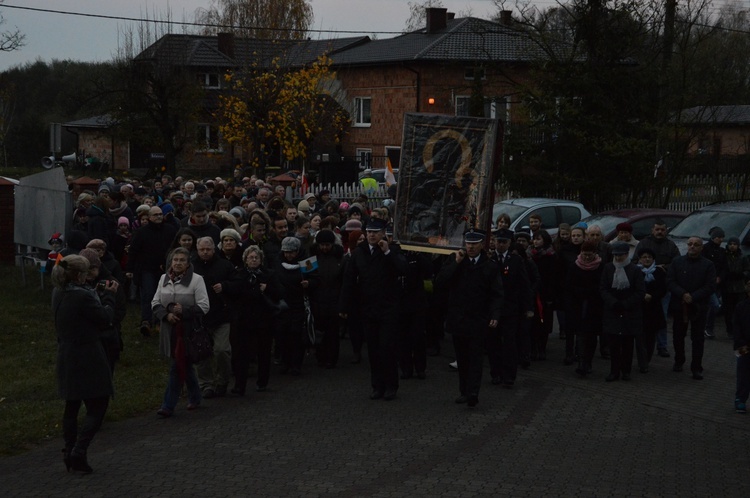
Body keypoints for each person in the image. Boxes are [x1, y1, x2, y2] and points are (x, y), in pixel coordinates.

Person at [51, 254, 119, 474]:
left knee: (71, 404)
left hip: (67, 353)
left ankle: (69, 450)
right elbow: (106, 318)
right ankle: (79, 451)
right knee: (98, 404)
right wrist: (109, 296)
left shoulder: (58, 292)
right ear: (79, 275)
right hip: (88, 354)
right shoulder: (83, 297)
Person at [339, 218, 408, 401]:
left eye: (375, 232)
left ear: (383, 233)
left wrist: (387, 252)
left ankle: (391, 385)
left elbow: (402, 269)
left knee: (387, 347)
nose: (371, 235)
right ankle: (377, 386)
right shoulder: (359, 253)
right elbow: (349, 280)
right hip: (368, 308)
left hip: (388, 308)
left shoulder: (392, 250)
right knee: (373, 349)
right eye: (368, 232)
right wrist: (344, 306)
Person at [435, 229, 503, 407]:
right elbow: (441, 282)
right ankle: (464, 390)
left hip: (478, 319)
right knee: (462, 357)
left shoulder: (490, 266)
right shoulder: (456, 261)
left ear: (481, 245)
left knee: (475, 358)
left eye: (474, 244)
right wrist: (456, 263)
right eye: (468, 243)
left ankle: (473, 392)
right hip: (458, 318)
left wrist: (495, 314)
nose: (471, 247)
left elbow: (496, 293)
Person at [152, 247, 210, 417]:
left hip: (188, 332)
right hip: (168, 330)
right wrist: (166, 315)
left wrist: (184, 310)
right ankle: (195, 396)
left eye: (182, 260)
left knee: (177, 366)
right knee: (184, 364)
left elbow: (204, 306)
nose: (178, 263)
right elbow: (155, 302)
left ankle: (168, 405)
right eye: (175, 260)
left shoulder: (197, 280)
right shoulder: (163, 279)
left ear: (188, 263)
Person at [192, 237, 240, 397]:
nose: (205, 252)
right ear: (197, 250)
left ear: (214, 249)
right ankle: (206, 384)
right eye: (201, 249)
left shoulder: (225, 265)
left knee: (222, 350)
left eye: (208, 249)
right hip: (199, 317)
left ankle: (222, 381)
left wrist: (225, 286)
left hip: (222, 316)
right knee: (201, 353)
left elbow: (238, 284)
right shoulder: (191, 266)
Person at [232, 245, 284, 395]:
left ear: (261, 260)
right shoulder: (239, 274)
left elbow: (280, 292)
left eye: (256, 257)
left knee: (264, 352)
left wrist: (267, 289)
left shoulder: (270, 274)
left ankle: (262, 381)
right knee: (242, 354)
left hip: (264, 319)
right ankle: (239, 385)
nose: (254, 260)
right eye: (250, 257)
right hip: (244, 319)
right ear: (245, 260)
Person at [488, 228, 533, 387]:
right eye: (498, 241)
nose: (500, 245)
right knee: (493, 343)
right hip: (493, 309)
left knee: (509, 343)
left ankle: (509, 376)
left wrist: (528, 307)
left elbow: (524, 285)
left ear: (509, 243)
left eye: (503, 242)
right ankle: (496, 373)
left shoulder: (516, 261)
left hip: (510, 309)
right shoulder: (490, 259)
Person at [667, 236, 716, 380]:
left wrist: (693, 297)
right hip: (679, 305)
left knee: (698, 338)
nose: (692, 247)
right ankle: (679, 360)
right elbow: (670, 281)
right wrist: (682, 294)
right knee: (677, 335)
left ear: (701, 247)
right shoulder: (677, 262)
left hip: (699, 306)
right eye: (690, 244)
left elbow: (710, 286)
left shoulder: (708, 265)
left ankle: (696, 367)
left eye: (696, 244)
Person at [126, 206, 178, 337]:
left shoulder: (170, 230)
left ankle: (160, 321)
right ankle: (146, 321)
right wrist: (130, 268)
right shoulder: (141, 232)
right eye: (155, 215)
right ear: (149, 217)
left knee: (164, 296)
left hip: (165, 269)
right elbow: (133, 251)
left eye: (160, 214)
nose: (159, 217)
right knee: (148, 295)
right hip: (146, 269)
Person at [633, 219, 680, 358]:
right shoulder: (643, 243)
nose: (660, 232)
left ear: (666, 231)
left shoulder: (671, 245)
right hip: (643, 288)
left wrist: (663, 267)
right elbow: (635, 261)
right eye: (657, 229)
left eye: (662, 230)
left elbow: (676, 263)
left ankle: (662, 346)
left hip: (662, 288)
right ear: (652, 230)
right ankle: (642, 346)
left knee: (662, 317)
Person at [599, 242, 645, 381]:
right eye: (616, 255)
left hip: (629, 312)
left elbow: (640, 291)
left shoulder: (635, 270)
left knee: (627, 343)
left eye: (620, 255)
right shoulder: (608, 268)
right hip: (612, 311)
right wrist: (613, 302)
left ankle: (626, 370)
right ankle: (614, 371)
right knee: (613, 344)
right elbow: (602, 288)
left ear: (626, 255)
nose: (618, 258)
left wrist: (625, 304)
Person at [567, 241, 604, 377]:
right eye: (585, 254)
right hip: (578, 305)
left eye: (590, 255)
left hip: (594, 305)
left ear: (595, 254)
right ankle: (582, 362)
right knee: (581, 334)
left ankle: (588, 361)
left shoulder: (601, 267)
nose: (587, 257)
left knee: (592, 336)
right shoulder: (574, 266)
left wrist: (590, 292)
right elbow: (569, 285)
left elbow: (602, 285)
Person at [702, 227, 728, 339]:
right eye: (719, 237)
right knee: (714, 305)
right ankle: (707, 327)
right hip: (708, 282)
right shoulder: (705, 249)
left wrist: (720, 277)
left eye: (722, 237)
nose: (721, 239)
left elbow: (724, 267)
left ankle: (707, 328)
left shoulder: (722, 251)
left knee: (713, 306)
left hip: (717, 283)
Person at [723, 237, 750, 339]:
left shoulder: (743, 257)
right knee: (728, 311)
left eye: (734, 244)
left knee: (739, 310)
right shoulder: (724, 256)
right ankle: (730, 330)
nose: (732, 246)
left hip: (739, 288)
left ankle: (739, 330)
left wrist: (742, 275)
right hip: (727, 288)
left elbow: (748, 270)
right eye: (730, 244)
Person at [732, 277, 750, 413]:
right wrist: (740, 344)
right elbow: (736, 327)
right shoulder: (741, 306)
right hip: (745, 347)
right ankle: (740, 399)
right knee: (743, 374)